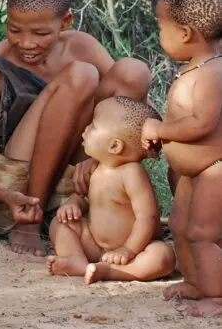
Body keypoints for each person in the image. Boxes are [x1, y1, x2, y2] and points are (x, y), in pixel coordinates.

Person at [0, 0, 151, 256]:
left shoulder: (81, 45)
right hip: (13, 185)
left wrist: (99, 159)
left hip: (70, 176)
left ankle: (96, 194)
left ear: (66, 21)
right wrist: (6, 196)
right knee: (81, 76)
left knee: (133, 72)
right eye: (14, 30)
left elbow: (128, 109)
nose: (26, 43)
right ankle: (31, 219)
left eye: (41, 33)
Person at [142, 0, 222, 317]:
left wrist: (161, 127)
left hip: (214, 171)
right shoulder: (194, 68)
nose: (160, 38)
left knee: (202, 233)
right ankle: (195, 281)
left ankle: (217, 296)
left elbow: (201, 123)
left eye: (162, 29)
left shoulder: (212, 73)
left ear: (186, 33)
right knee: (179, 227)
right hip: (192, 173)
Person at [46, 96, 174, 285]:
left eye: (93, 125)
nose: (86, 129)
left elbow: (148, 217)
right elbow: (87, 199)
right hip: (95, 245)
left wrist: (128, 249)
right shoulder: (95, 167)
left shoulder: (132, 174)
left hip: (134, 251)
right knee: (60, 224)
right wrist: (74, 203)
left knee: (162, 256)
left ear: (115, 146)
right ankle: (76, 260)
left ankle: (114, 272)